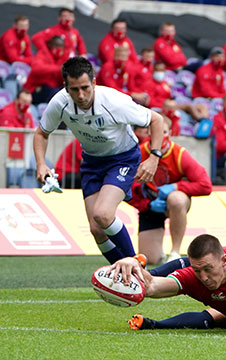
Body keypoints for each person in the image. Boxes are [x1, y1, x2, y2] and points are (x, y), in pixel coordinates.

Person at [33, 57, 164, 264]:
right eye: (74, 89)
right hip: (92, 162)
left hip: (123, 158)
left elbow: (157, 120)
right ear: (66, 88)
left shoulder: (115, 101)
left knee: (103, 215)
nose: (81, 95)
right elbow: (42, 133)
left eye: (85, 87)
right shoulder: (59, 102)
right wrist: (41, 164)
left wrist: (153, 158)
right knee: (96, 229)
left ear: (94, 83)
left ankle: (136, 267)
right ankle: (125, 277)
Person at [127, 116, 212, 264]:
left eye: (164, 131)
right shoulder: (139, 153)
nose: (160, 136)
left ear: (170, 133)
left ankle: (175, 252)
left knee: (176, 199)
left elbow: (205, 185)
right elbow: (127, 189)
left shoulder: (180, 154)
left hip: (175, 201)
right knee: (150, 259)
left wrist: (177, 186)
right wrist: (146, 205)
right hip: (150, 204)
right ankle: (159, 252)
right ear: (148, 133)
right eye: (155, 132)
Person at [23, 36, 67, 105]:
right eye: (56, 45)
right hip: (35, 89)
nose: (59, 49)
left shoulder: (63, 58)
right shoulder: (42, 54)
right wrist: (58, 68)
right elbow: (36, 68)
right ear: (50, 45)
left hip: (52, 88)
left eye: (61, 46)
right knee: (56, 94)